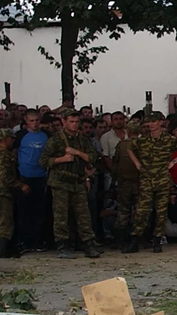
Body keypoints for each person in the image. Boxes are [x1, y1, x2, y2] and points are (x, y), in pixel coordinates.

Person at [40, 110, 102, 259]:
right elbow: (43, 161)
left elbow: (93, 157)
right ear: (64, 122)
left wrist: (77, 153)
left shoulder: (82, 140)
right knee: (61, 215)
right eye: (71, 122)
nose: (74, 125)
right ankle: (62, 245)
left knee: (83, 215)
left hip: (78, 181)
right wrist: (61, 159)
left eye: (76, 122)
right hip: (60, 182)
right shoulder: (56, 140)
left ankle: (88, 244)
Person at [125, 111, 177, 254]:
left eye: (154, 121)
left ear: (161, 122)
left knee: (161, 211)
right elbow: (129, 148)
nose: (151, 124)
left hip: (162, 179)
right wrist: (137, 163)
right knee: (142, 210)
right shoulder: (143, 140)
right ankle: (135, 239)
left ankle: (157, 240)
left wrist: (173, 162)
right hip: (147, 178)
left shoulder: (169, 139)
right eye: (149, 122)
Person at [14, 109, 49, 253]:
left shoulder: (46, 136)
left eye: (37, 121)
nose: (35, 124)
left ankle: (38, 240)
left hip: (41, 177)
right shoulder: (20, 136)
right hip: (25, 177)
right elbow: (14, 154)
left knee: (40, 210)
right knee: (24, 211)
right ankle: (25, 241)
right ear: (26, 121)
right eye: (31, 121)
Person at [111, 120, 142, 247]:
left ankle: (120, 240)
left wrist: (115, 180)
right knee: (140, 211)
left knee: (123, 212)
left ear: (128, 131)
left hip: (124, 183)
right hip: (140, 183)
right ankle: (138, 239)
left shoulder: (122, 145)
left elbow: (115, 164)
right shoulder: (143, 144)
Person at [0, 128, 16, 258]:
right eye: (11, 138)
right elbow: (5, 177)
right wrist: (21, 185)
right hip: (3, 192)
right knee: (5, 223)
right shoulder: (5, 155)